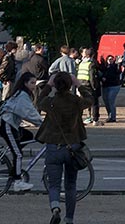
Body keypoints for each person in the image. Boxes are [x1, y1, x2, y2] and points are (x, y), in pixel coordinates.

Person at [36, 71, 91, 224]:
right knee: (71, 185)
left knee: (54, 184)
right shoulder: (76, 102)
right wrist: (79, 85)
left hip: (53, 145)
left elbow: (39, 101)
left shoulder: (51, 102)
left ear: (56, 86)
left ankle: (55, 208)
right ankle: (69, 218)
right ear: (69, 85)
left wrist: (48, 85)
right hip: (72, 145)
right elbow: (90, 99)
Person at [0, 71, 44, 191]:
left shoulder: (21, 93)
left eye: (35, 83)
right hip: (7, 124)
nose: (34, 86)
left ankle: (12, 156)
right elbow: (30, 113)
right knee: (18, 154)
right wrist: (44, 125)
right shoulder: (22, 95)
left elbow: (30, 112)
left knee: (28, 135)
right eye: (32, 83)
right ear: (25, 83)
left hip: (10, 124)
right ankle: (17, 182)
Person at [75, 47, 100, 125]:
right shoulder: (91, 64)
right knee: (94, 103)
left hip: (80, 85)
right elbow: (92, 76)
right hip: (88, 85)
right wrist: (95, 87)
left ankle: (81, 118)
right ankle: (95, 120)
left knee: (82, 103)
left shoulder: (80, 63)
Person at [99, 55, 122, 123]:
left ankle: (113, 117)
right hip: (105, 86)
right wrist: (102, 78)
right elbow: (100, 73)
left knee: (111, 100)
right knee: (106, 101)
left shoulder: (115, 66)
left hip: (114, 86)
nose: (110, 60)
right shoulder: (104, 67)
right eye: (109, 59)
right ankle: (110, 115)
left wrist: (119, 64)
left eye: (111, 59)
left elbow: (118, 71)